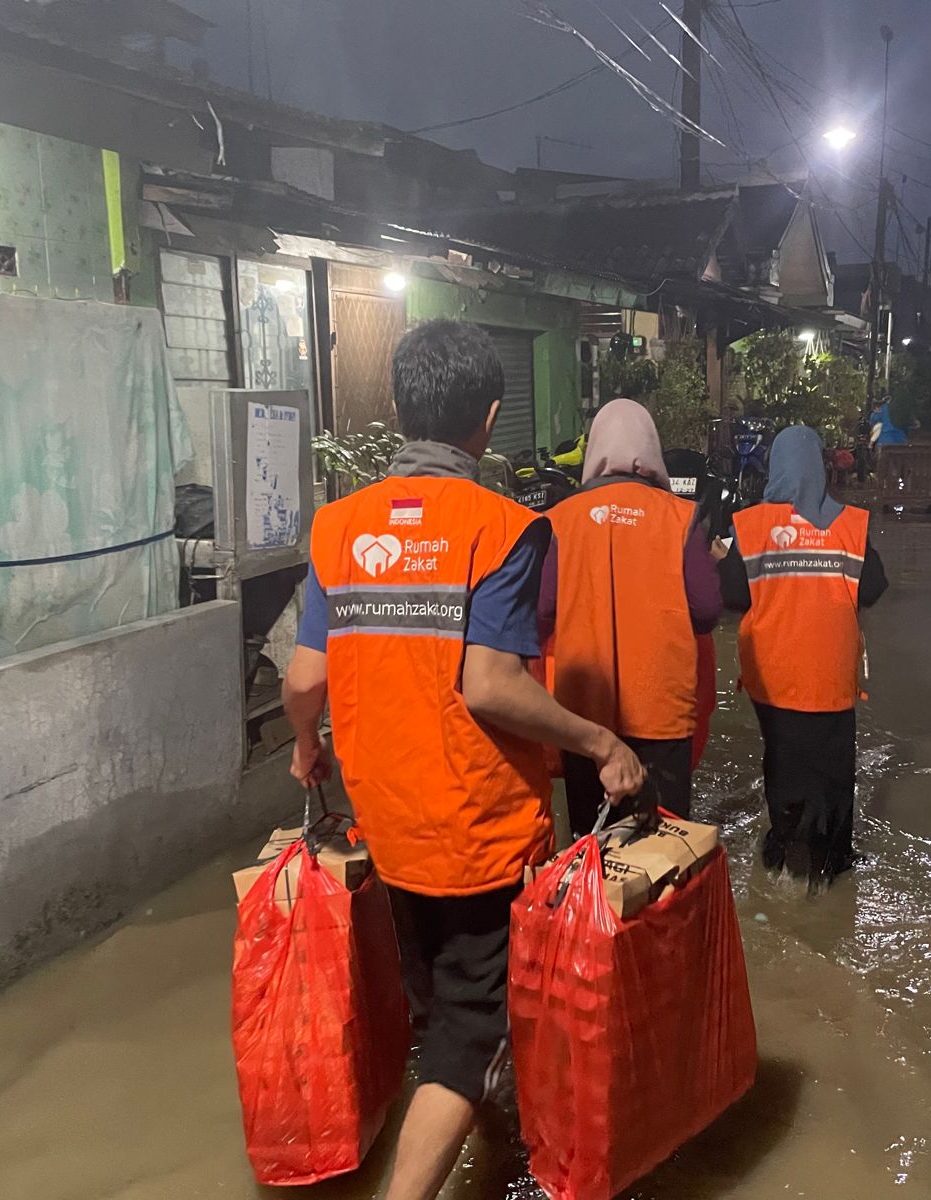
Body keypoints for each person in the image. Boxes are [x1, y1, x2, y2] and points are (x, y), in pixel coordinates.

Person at [283, 320, 645, 1200]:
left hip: (388, 827)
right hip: (477, 835)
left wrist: (305, 749)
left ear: (400, 407)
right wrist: (602, 741)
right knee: (469, 1037)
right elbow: (489, 686)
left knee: (445, 1014)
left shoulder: (339, 528)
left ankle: (501, 1145)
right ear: (488, 419)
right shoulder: (504, 528)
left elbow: (303, 678)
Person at [539, 397, 722, 835]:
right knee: (663, 854)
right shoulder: (682, 518)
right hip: (662, 716)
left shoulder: (559, 520)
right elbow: (707, 609)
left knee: (593, 851)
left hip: (582, 721)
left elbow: (542, 610)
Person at [718, 425, 888, 892]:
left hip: (773, 679)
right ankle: (832, 861)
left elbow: (730, 594)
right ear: (820, 468)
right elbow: (872, 588)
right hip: (830, 676)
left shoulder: (748, 526)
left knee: (783, 760)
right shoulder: (852, 524)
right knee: (834, 769)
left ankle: (784, 850)